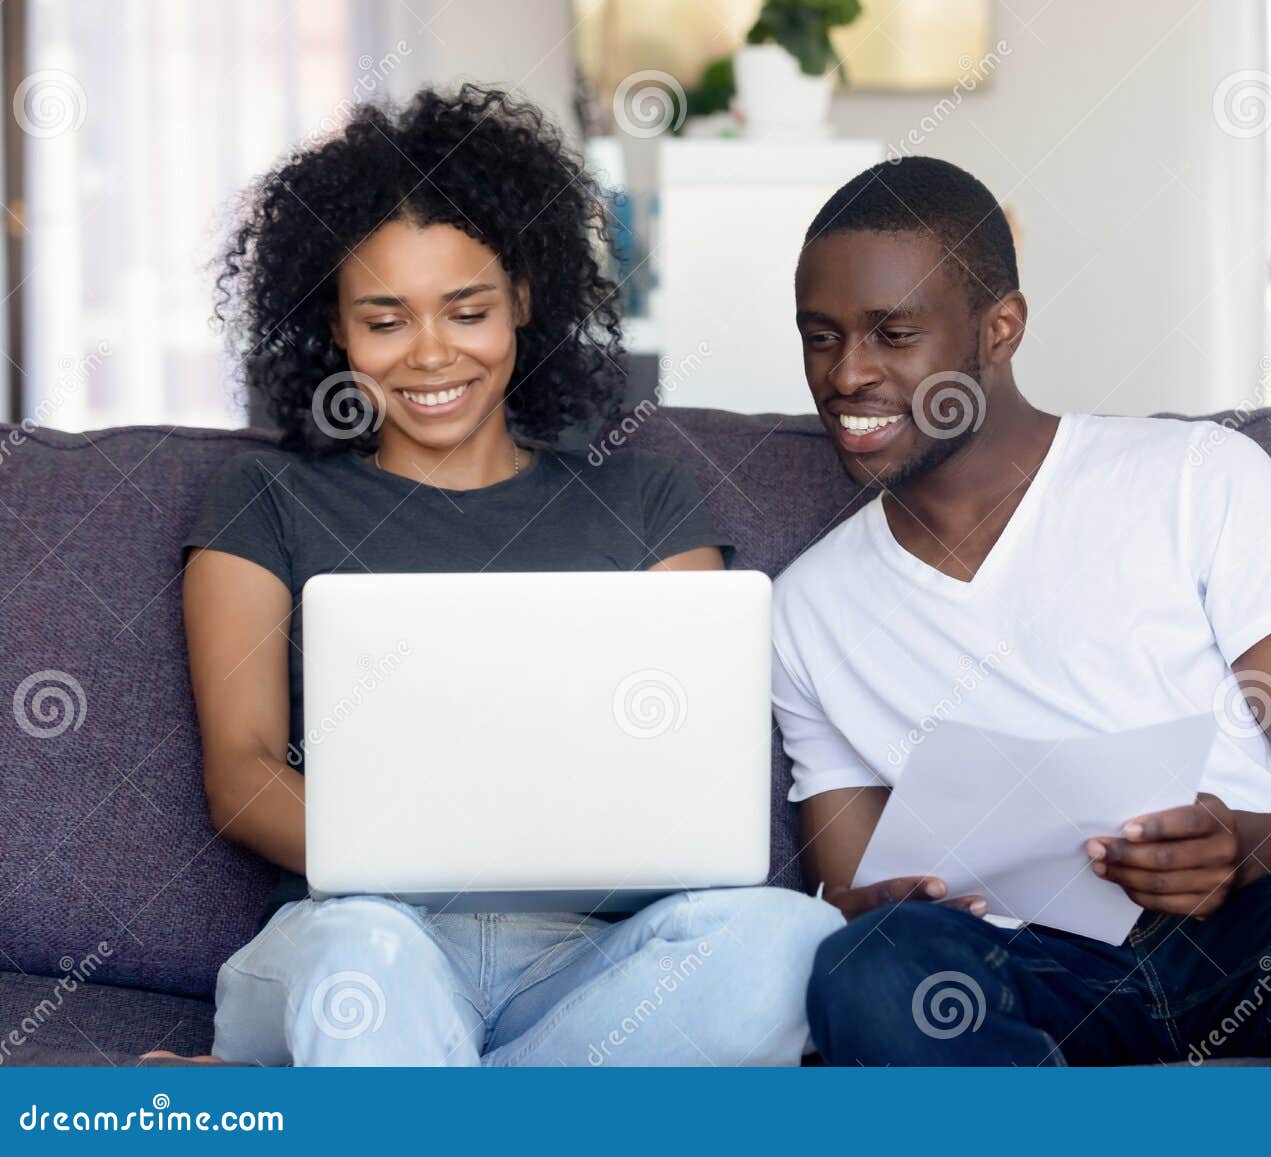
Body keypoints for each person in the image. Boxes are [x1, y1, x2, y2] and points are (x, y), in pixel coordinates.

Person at [775, 157, 1271, 1066]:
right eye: (821, 337)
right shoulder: (807, 608)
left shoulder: (1194, 477)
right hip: (1033, 971)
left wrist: (1237, 845)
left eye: (892, 334)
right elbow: (854, 892)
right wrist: (866, 907)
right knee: (868, 965)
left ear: (998, 329)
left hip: (1251, 937)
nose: (848, 374)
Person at [178, 86, 840, 1067]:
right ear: (336, 327)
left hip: (583, 960)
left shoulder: (648, 505)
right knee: (371, 959)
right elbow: (241, 775)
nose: (431, 352)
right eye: (385, 317)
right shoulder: (263, 501)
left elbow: (690, 785)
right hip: (357, 929)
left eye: (467, 308)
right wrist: (432, 864)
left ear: (524, 299)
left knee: (793, 944)